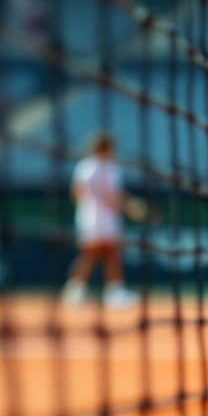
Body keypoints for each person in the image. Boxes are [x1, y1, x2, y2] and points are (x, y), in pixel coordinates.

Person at [62, 131, 145, 308]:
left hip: (86, 217)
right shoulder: (109, 167)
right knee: (112, 253)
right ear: (106, 147)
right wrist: (130, 206)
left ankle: (75, 291)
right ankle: (115, 293)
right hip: (105, 219)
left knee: (90, 254)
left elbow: (76, 194)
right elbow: (111, 196)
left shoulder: (83, 167)